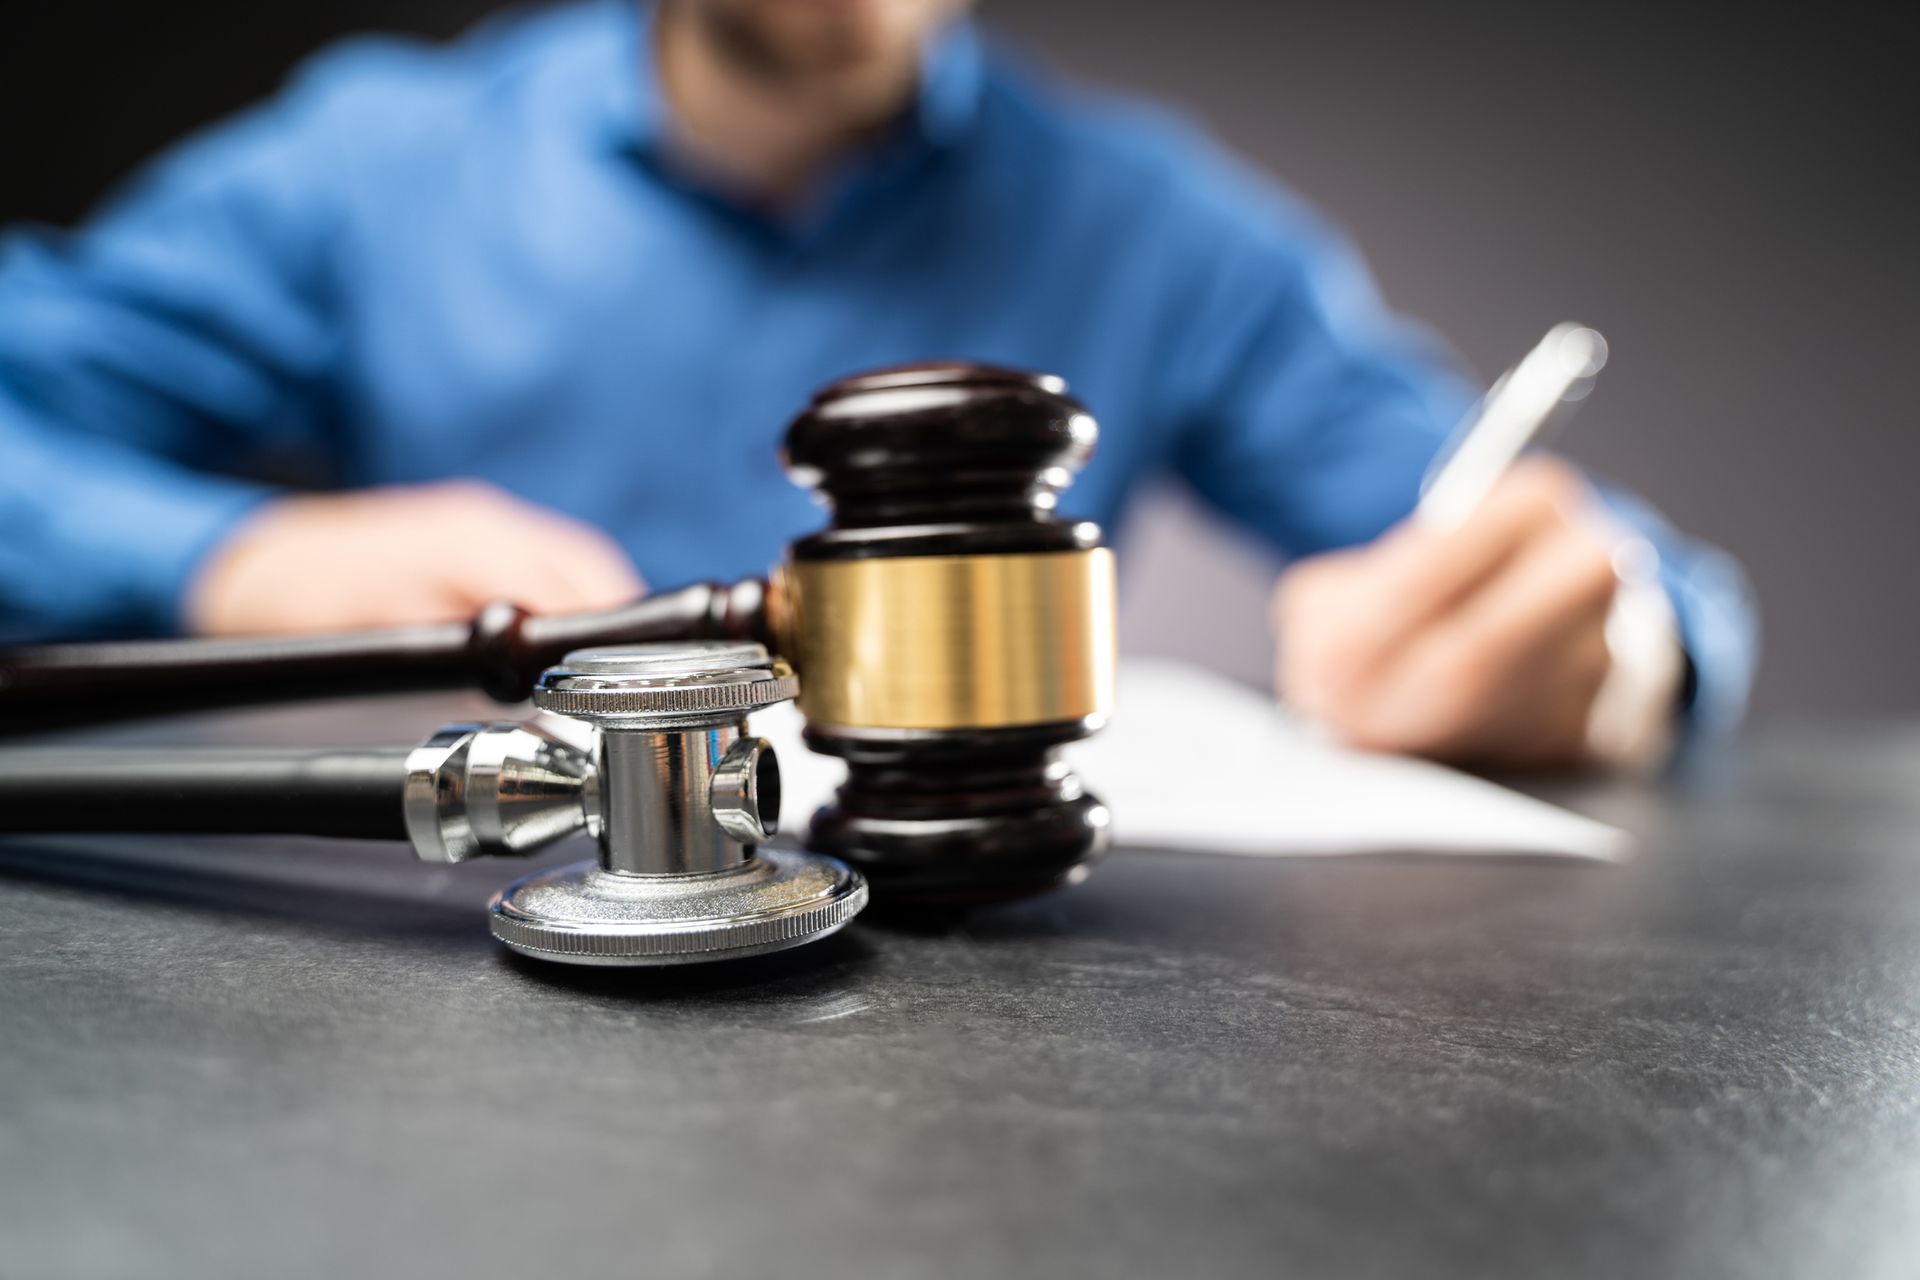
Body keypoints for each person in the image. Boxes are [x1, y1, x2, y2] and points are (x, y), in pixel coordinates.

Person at [0, 0, 1754, 768]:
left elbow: (1533, 557)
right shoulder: (375, 165)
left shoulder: (1165, 236)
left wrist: (1624, 651)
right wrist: (222, 559)